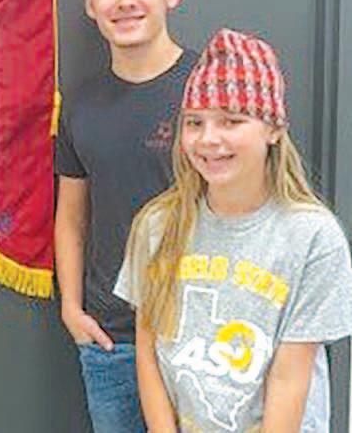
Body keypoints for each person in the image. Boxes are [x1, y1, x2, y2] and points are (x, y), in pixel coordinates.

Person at [115, 28, 352, 431]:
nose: (208, 139)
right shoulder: (156, 226)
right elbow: (148, 350)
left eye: (231, 121)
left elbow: (289, 378)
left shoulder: (313, 238)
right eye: (194, 122)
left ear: (273, 129)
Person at [54, 0, 198, 432]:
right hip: (110, 338)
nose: (126, 1)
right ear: (90, 4)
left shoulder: (208, 89)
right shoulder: (81, 104)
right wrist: (72, 308)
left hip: (199, 332)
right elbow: (72, 217)